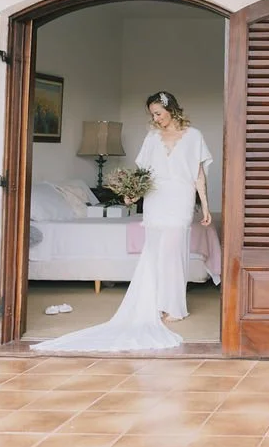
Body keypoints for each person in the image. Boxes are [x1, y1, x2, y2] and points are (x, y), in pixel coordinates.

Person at [32, 91, 213, 353]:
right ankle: (157, 303)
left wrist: (205, 206)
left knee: (173, 252)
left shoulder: (194, 136)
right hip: (156, 200)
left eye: (159, 113)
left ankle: (175, 307)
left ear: (171, 109)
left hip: (180, 200)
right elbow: (143, 173)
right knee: (154, 253)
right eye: (152, 114)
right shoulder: (152, 138)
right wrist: (133, 193)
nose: (156, 118)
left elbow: (198, 175)